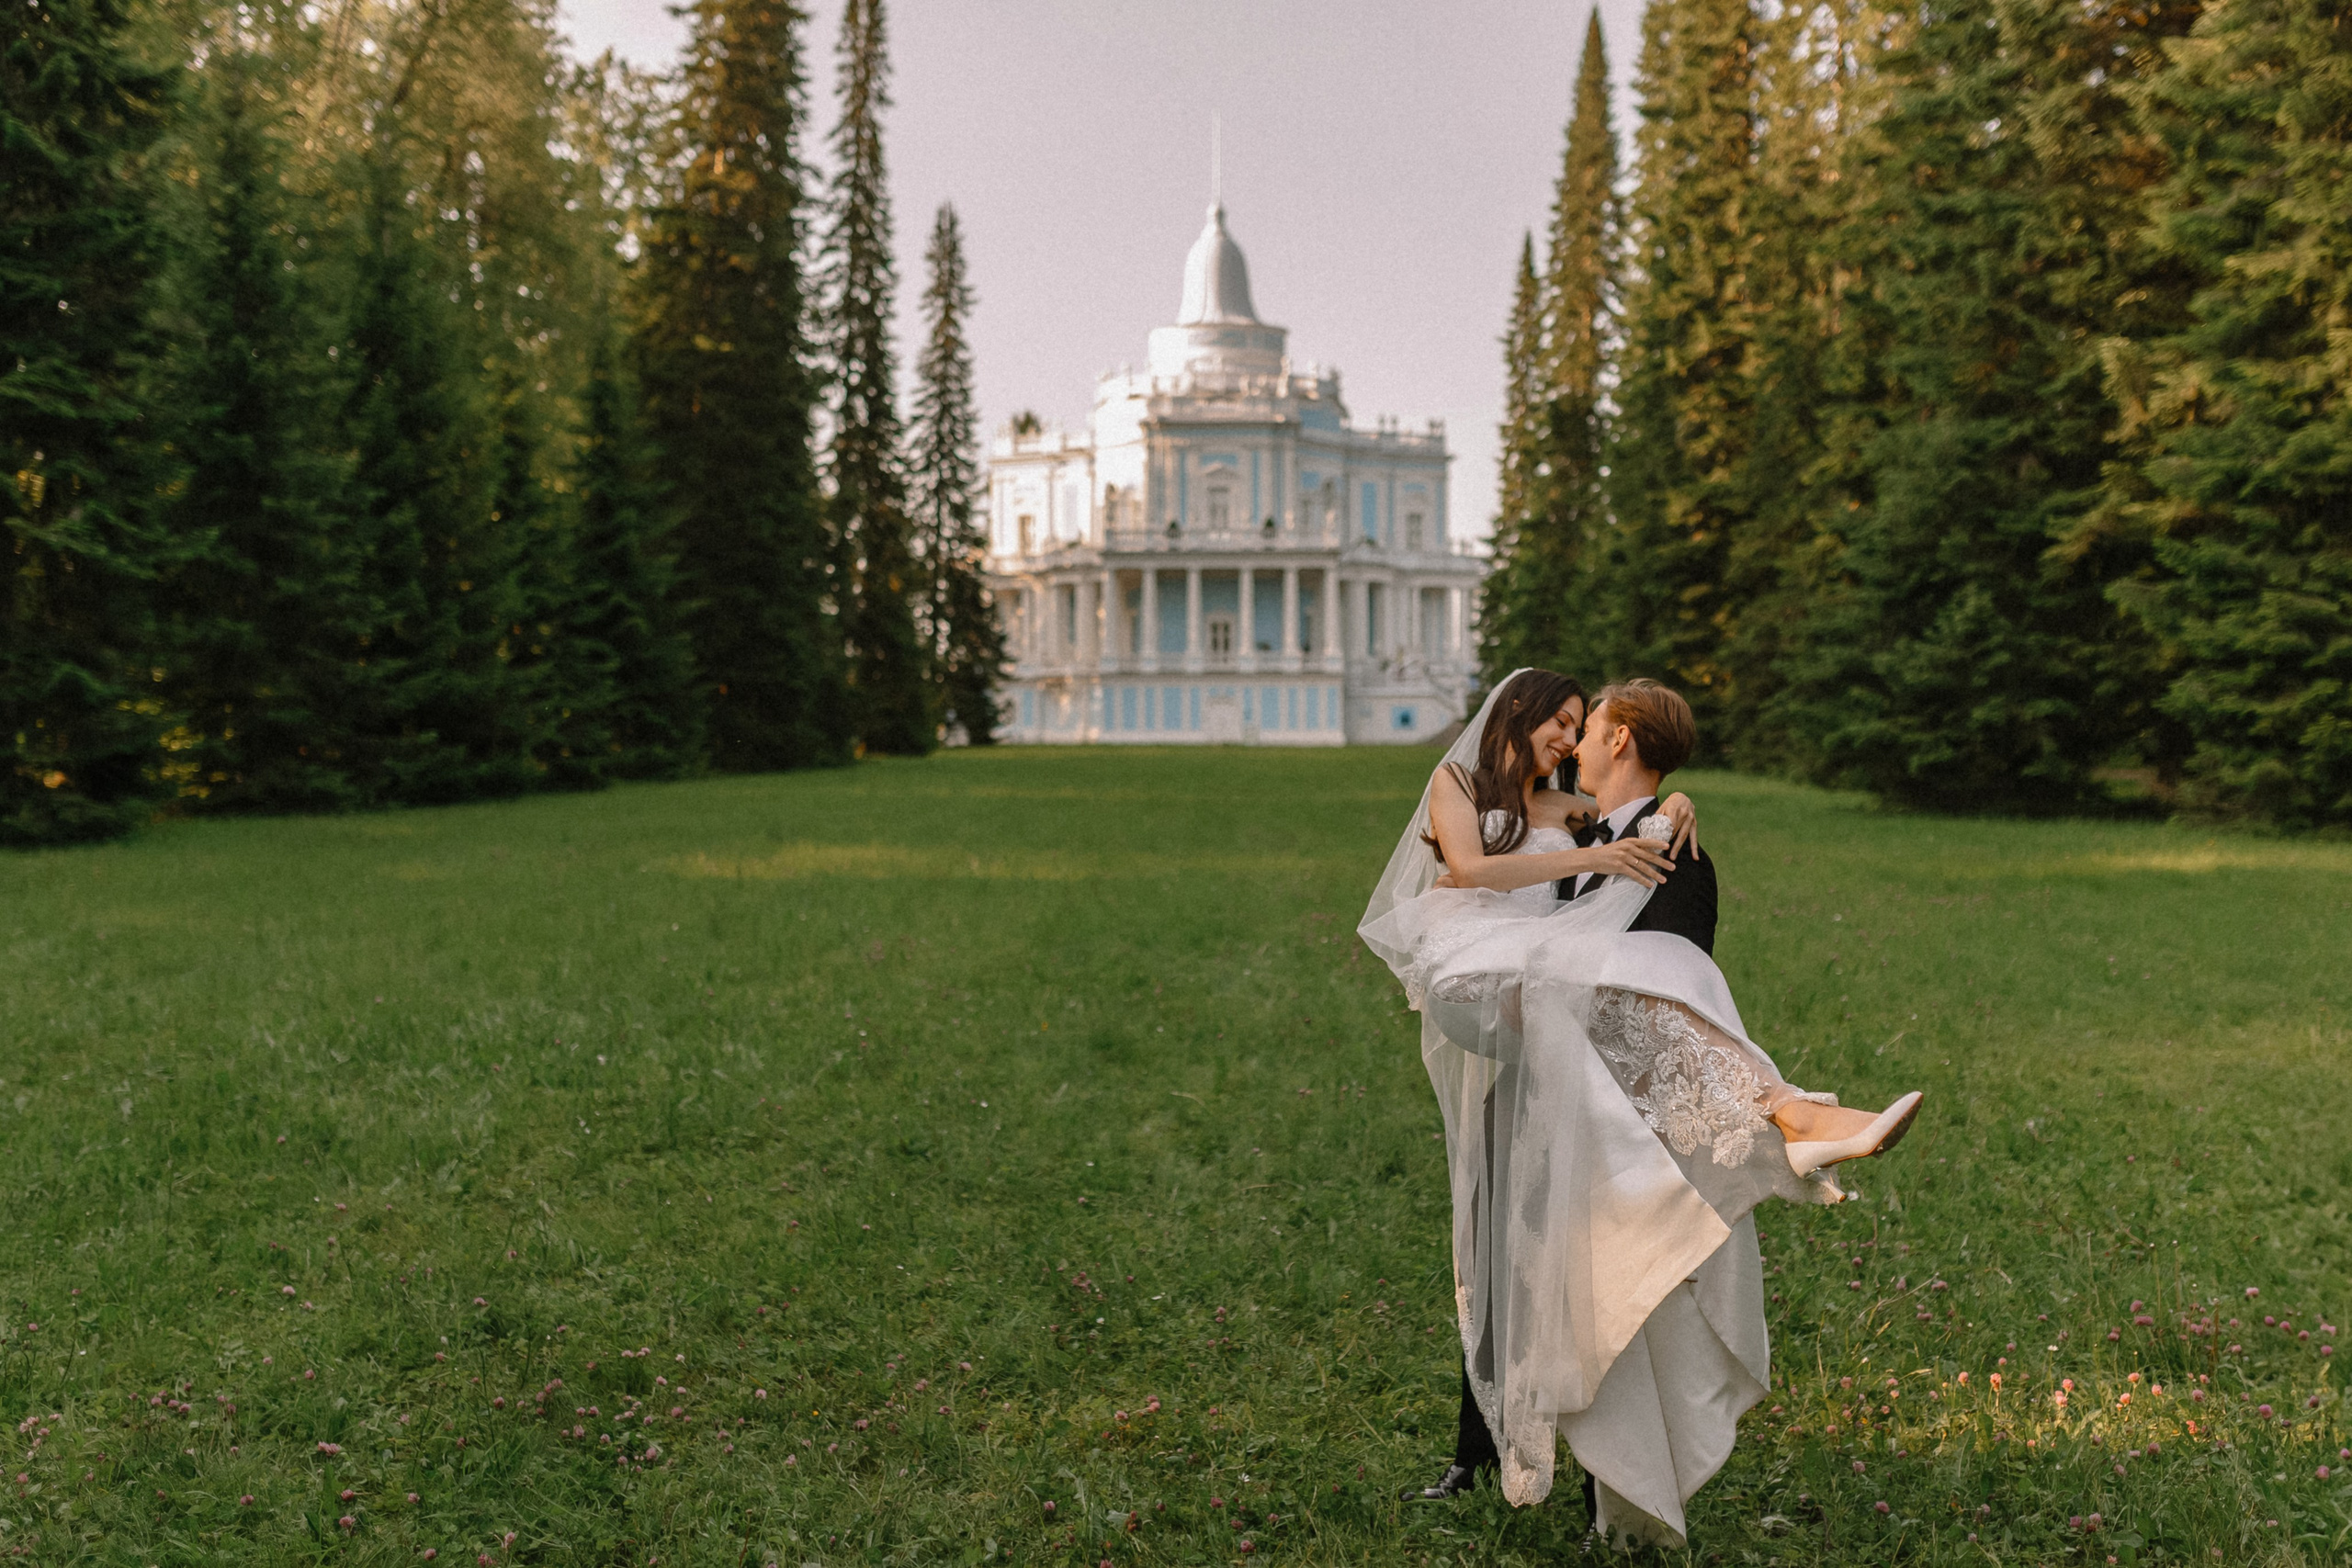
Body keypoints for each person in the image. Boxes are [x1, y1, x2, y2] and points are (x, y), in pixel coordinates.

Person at [1359, 671, 1921, 1548]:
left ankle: (1609, 1493)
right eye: (1562, 723)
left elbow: (1679, 990)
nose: (1571, 741)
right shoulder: (1561, 819)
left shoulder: (1671, 851)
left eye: (1584, 725)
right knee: (1496, 1260)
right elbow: (1488, 866)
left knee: (1603, 1288)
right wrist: (1628, 832)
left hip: (1605, 1100)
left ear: (1617, 739)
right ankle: (1480, 1450)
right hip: (1516, 1046)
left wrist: (1672, 806)